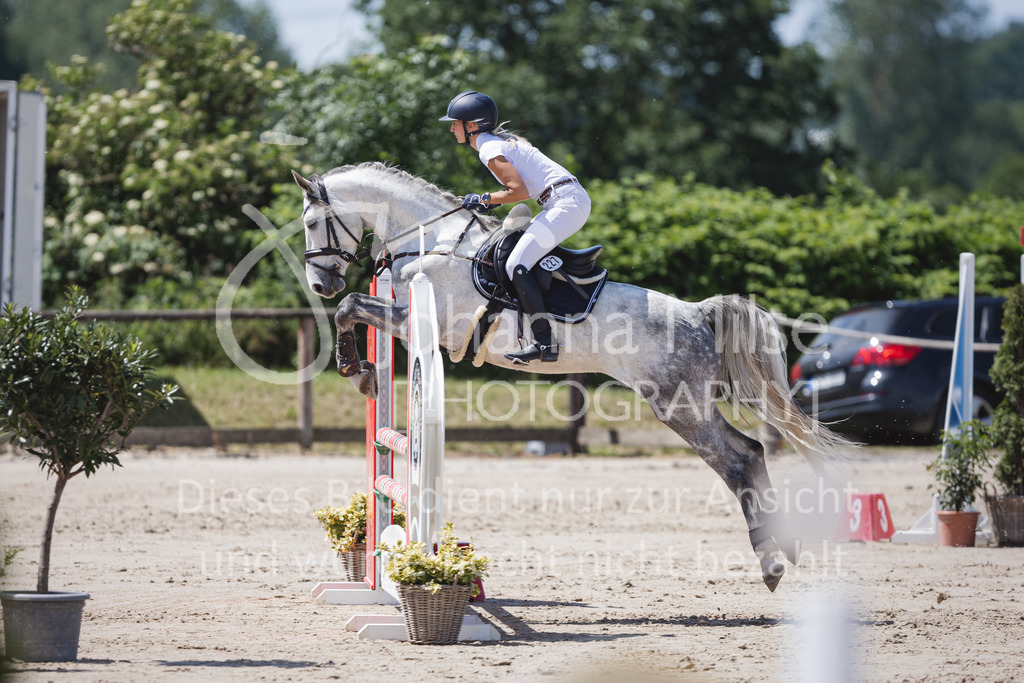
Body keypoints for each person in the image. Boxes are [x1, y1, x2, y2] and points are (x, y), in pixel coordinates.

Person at [439, 90, 591, 364]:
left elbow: (517, 191)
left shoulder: (488, 148)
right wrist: (487, 201)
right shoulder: (493, 142)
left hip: (566, 203)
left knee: (516, 265)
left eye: (455, 123)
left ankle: (546, 343)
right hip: (561, 201)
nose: (451, 128)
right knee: (517, 258)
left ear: (471, 126)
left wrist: (484, 198)